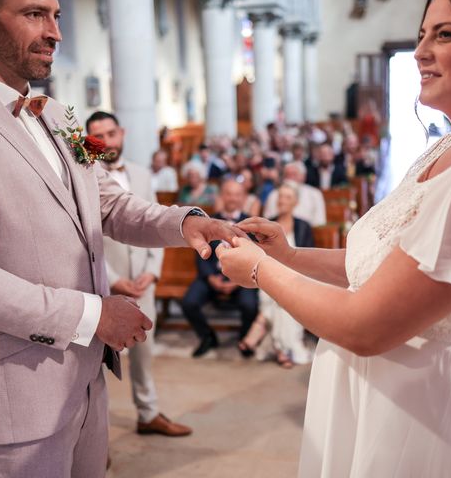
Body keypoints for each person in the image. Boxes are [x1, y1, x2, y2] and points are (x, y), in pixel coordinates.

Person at [217, 0, 451, 476]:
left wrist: (260, 271)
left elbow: (365, 328)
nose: (420, 52)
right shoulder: (450, 148)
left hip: (444, 417)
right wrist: (287, 256)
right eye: (422, 35)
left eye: (446, 35)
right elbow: (389, 267)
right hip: (411, 401)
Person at [0, 0, 237, 476]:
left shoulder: (59, 115)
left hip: (85, 379)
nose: (56, 33)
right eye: (35, 14)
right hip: (18, 393)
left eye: (57, 16)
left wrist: (186, 223)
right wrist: (94, 314)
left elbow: (110, 204)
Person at [86, 111, 191, 437]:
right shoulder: (83, 175)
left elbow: (156, 223)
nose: (107, 140)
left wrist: (152, 273)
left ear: (122, 132)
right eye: (98, 135)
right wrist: (113, 278)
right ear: (89, 139)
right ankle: (94, 437)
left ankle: (148, 414)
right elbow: (86, 235)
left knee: (144, 352)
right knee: (96, 361)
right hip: (103, 283)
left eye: (111, 132)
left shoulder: (142, 174)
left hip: (142, 282)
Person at [240, 182, 314, 368]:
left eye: (288, 197)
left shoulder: (303, 226)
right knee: (278, 297)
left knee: (283, 297)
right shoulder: (267, 224)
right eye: (280, 196)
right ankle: (283, 349)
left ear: (295, 202)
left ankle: (264, 331)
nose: (282, 201)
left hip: (295, 277)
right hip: (268, 274)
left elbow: (308, 257)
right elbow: (259, 253)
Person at [181, 179, 258, 358]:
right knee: (189, 302)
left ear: (243, 198)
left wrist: (238, 280)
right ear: (222, 196)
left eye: (237, 194)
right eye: (229, 194)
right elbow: (199, 251)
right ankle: (207, 337)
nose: (233, 198)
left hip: (242, 278)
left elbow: (255, 255)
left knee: (250, 305)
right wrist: (209, 277)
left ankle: (243, 337)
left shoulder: (252, 224)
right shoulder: (207, 221)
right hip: (212, 275)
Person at [263, 161, 326, 227]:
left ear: (303, 176)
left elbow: (320, 222)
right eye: (287, 175)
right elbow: (268, 219)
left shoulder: (315, 194)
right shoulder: (273, 194)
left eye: (294, 174)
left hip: (306, 234)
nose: (291, 178)